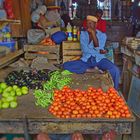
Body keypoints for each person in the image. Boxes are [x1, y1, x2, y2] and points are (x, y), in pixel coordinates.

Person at [63, 15, 120, 90]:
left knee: (115, 70)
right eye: (87, 23)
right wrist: (97, 49)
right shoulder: (83, 34)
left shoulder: (102, 35)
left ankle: (114, 90)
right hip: (86, 60)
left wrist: (93, 34)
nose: (88, 25)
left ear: (95, 25)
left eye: (91, 23)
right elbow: (85, 50)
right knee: (66, 66)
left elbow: (98, 49)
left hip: (99, 59)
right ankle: (91, 70)